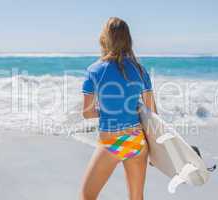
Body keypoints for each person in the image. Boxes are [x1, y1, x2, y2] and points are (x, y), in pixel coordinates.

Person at [80, 17, 157, 200]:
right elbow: (151, 112)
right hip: (137, 142)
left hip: (111, 142)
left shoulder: (94, 70)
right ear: (128, 39)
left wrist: (106, 111)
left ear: (105, 38)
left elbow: (87, 113)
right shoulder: (140, 70)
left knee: (87, 196)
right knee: (136, 197)